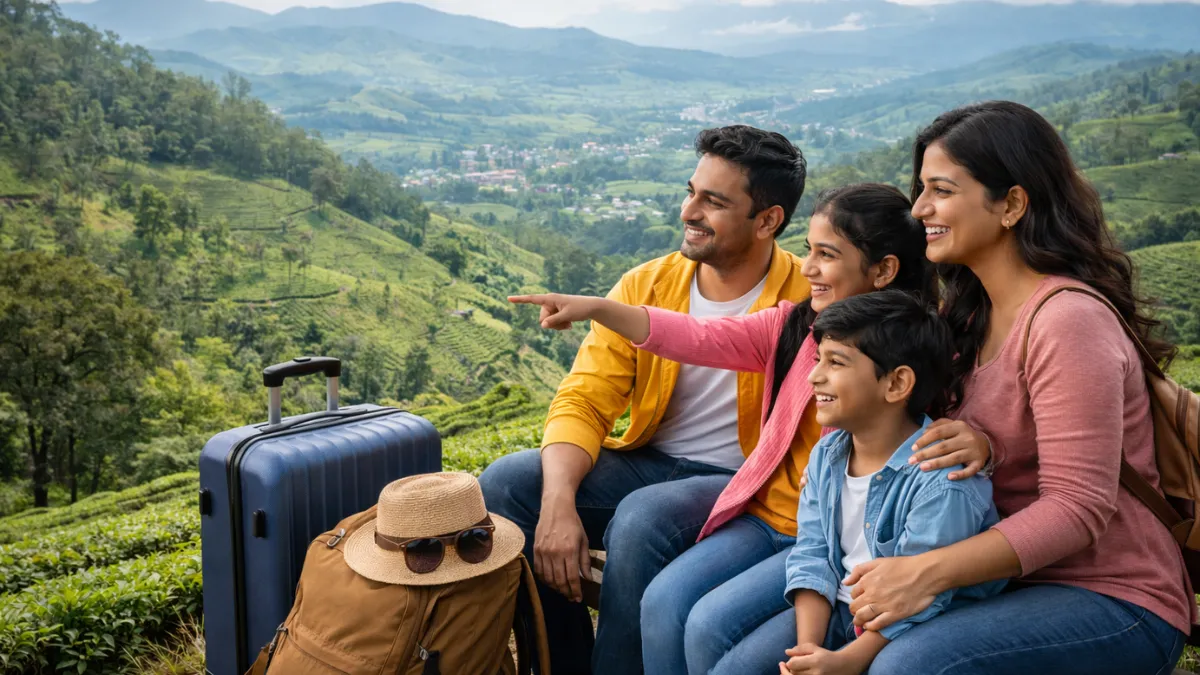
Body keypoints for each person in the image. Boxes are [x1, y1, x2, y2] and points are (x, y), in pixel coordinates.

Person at [511, 183, 992, 674]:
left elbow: (960, 435)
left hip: (831, 537)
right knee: (664, 601)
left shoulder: (920, 353)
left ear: (883, 270)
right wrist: (598, 308)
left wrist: (982, 443)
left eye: (827, 255)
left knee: (708, 626)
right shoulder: (793, 326)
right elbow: (694, 336)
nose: (807, 268)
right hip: (765, 518)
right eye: (809, 251)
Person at [841, 100, 1195, 675]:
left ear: (1011, 204)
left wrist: (923, 574)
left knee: (911, 667)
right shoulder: (966, 316)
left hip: (1111, 593)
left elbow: (1078, 508)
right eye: (921, 189)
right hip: (1000, 583)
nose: (920, 208)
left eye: (942, 190)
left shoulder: (1065, 320)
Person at [479, 124, 811, 675]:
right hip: (650, 461)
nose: (688, 212)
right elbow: (586, 398)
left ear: (768, 220)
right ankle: (563, 662)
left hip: (744, 479)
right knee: (507, 484)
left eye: (713, 201)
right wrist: (558, 502)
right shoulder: (646, 285)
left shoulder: (807, 295)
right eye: (690, 191)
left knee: (642, 519)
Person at [778, 290, 1005, 675]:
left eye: (835, 362)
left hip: (917, 622)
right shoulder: (827, 454)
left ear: (897, 383)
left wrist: (846, 661)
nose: (814, 376)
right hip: (840, 607)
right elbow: (813, 553)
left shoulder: (941, 478)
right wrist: (807, 651)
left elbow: (922, 596)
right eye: (819, 359)